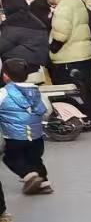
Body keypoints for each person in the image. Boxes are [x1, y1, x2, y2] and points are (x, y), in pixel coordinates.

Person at [47, 0, 91, 121]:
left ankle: (79, 118)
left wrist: (53, 48)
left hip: (69, 56)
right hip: (83, 53)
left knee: (72, 89)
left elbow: (61, 33)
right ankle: (90, 116)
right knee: (85, 86)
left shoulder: (64, 4)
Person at [0, 59, 50, 195]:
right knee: (35, 159)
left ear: (5, 76)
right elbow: (45, 111)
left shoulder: (3, 93)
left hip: (15, 137)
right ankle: (44, 183)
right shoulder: (35, 91)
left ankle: (29, 176)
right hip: (36, 136)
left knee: (10, 157)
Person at [0, 0, 50, 71]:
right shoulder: (32, 18)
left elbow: (2, 46)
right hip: (38, 65)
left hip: (19, 69)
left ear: (8, 6)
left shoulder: (14, 22)